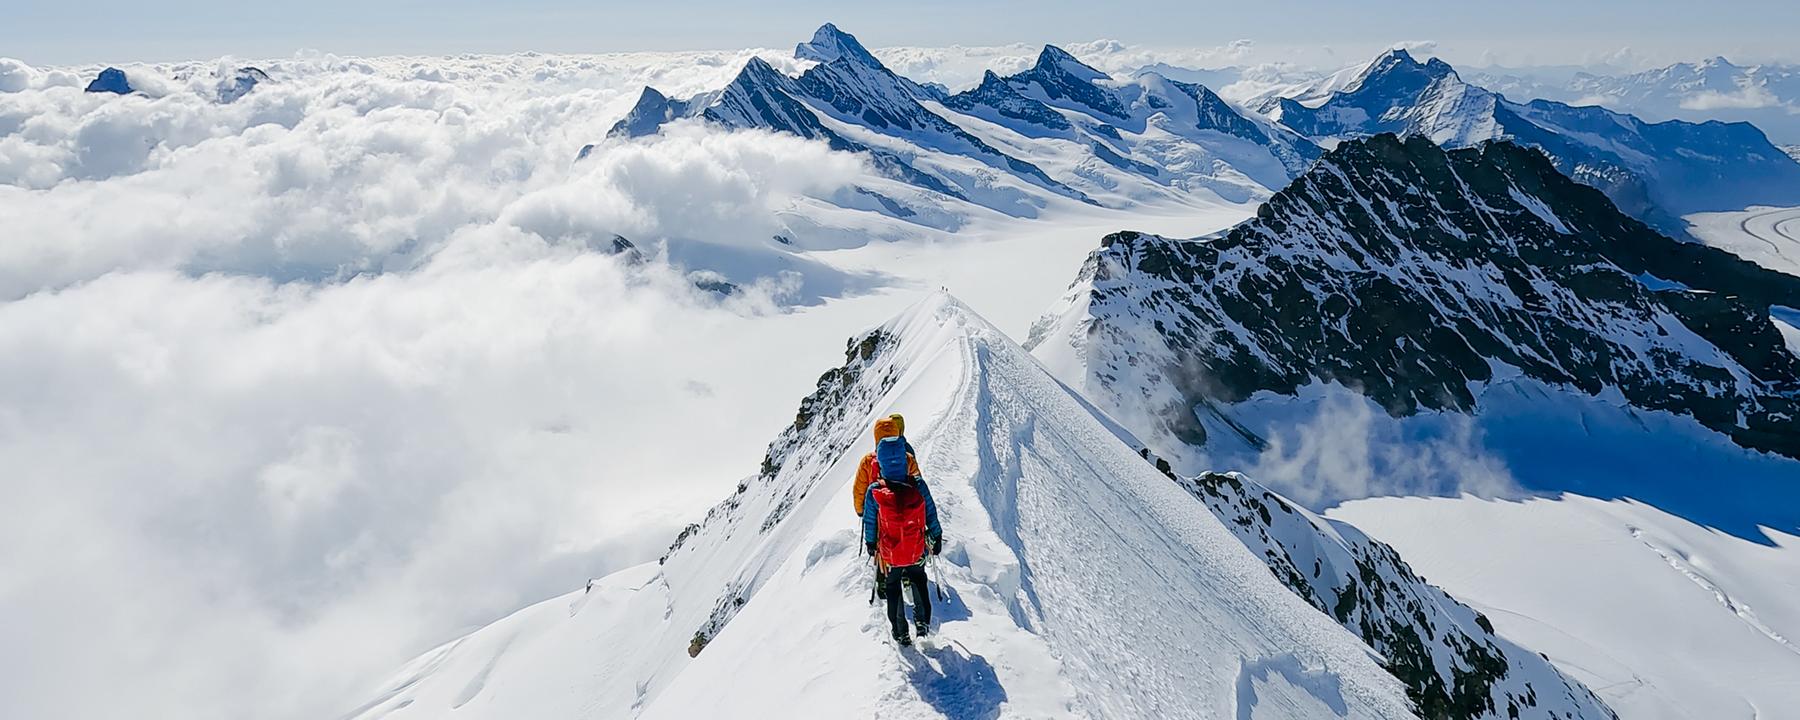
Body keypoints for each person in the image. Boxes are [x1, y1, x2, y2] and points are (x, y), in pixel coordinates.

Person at [861, 423, 942, 646]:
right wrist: (935, 536)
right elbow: (931, 513)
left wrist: (870, 543)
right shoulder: (918, 484)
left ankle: (900, 632)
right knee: (918, 579)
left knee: (893, 587)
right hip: (916, 548)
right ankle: (922, 624)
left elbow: (870, 521)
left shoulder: (875, 491)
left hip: (890, 552)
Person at [852, 415, 917, 600]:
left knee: (881, 546)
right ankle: (904, 572)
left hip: (878, 510)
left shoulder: (868, 461)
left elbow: (859, 488)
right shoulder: (907, 456)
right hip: (902, 508)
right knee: (902, 540)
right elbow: (917, 481)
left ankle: (882, 579)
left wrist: (861, 510)